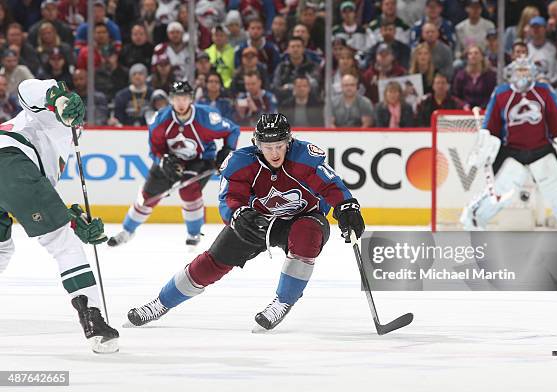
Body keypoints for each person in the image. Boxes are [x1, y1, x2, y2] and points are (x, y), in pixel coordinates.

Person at [124, 113, 365, 331]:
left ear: (289, 141)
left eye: (279, 145)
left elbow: (331, 185)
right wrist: (239, 214)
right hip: (257, 222)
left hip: (304, 218)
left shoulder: (305, 156)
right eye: (267, 146)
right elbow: (229, 198)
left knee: (307, 233)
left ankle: (283, 302)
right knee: (212, 263)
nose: (274, 153)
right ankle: (160, 303)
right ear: (256, 144)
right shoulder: (241, 162)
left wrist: (346, 207)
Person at [0, 78, 118, 353]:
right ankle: (93, 320)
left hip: (12, 173)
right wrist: (58, 97)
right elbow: (27, 89)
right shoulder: (48, 114)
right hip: (10, 162)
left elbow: (37, 197)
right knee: (64, 244)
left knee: (2, 249)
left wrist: (73, 219)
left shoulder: (54, 144)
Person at [460, 57, 557, 230]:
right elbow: (490, 126)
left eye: (526, 70)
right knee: (500, 191)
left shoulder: (543, 91)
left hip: (541, 149)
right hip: (511, 151)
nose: (522, 75)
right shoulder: (501, 93)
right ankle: (473, 219)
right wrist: (483, 147)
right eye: (519, 70)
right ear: (511, 73)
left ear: (533, 73)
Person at [108, 81, 240, 248]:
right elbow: (154, 150)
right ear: (170, 99)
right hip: (171, 160)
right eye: (177, 98)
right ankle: (127, 231)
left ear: (191, 99)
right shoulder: (160, 121)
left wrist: (227, 149)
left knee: (188, 189)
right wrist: (162, 160)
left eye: (184, 98)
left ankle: (193, 233)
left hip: (200, 160)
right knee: (148, 195)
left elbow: (233, 130)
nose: (181, 103)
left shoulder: (207, 117)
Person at [452, 44, 496, 109]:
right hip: (465, 112)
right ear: (467, 57)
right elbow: (455, 96)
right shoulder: (461, 75)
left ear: (481, 56)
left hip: (484, 111)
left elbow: (492, 95)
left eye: (476, 53)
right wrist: (463, 105)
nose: (473, 56)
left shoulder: (490, 75)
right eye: (470, 54)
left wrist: (482, 107)